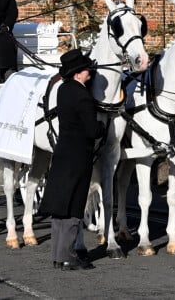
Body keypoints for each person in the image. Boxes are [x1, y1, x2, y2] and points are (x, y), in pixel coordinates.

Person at [39, 49, 105, 271]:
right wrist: (102, 127)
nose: (90, 72)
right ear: (78, 74)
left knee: (61, 207)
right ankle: (68, 257)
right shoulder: (82, 95)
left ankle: (58, 257)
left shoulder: (63, 90)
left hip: (62, 153)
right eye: (87, 69)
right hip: (78, 157)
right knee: (74, 207)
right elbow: (92, 130)